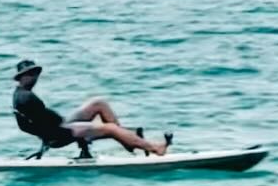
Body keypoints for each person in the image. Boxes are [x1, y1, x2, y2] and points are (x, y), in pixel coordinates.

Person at [11, 59, 169, 155]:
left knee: (99, 103)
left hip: (58, 126)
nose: (34, 77)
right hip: (58, 134)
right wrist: (72, 126)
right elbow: (43, 124)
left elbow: (46, 119)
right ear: (21, 78)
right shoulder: (26, 98)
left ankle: (128, 140)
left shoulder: (23, 94)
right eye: (30, 74)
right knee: (111, 129)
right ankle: (155, 148)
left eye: (36, 73)